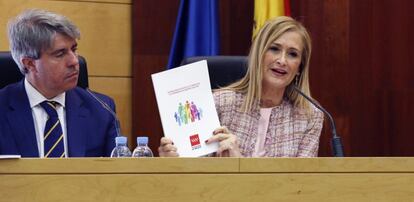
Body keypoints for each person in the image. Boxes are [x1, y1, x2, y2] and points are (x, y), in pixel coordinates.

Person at [159, 16, 324, 157]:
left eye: (292, 54)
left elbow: (301, 184)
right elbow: (193, 174)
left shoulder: (310, 116)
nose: (282, 60)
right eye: (274, 49)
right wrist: (173, 158)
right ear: (259, 54)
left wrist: (240, 162)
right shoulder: (219, 103)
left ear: (299, 67)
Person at [0, 9, 117, 157]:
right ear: (29, 64)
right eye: (60, 54)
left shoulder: (101, 109)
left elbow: (119, 175)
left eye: (74, 50)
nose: (74, 61)